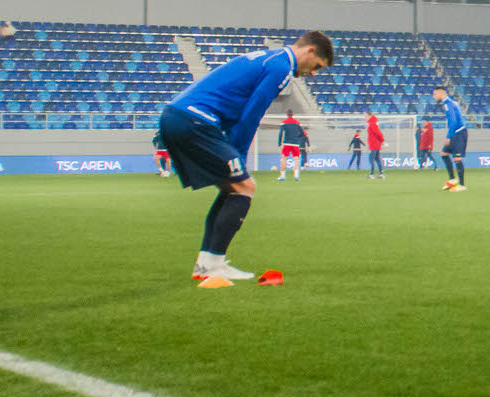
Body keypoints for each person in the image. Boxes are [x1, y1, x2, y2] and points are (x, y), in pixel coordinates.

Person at [158, 31, 336, 281]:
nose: (314, 73)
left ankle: (207, 264)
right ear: (310, 51)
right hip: (194, 119)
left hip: (178, 116)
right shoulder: (281, 67)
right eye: (317, 66)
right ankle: (213, 265)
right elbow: (252, 114)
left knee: (232, 188)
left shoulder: (270, 58)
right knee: (245, 187)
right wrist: (239, 154)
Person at [432, 84, 468, 190]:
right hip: (457, 132)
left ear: (441, 93)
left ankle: (462, 185)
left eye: (435, 94)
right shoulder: (452, 102)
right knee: (444, 153)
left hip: (458, 133)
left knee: (457, 157)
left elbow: (453, 122)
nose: (434, 96)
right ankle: (452, 179)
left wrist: (449, 137)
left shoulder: (448, 104)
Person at [275, 112, 306, 181]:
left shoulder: (284, 122)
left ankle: (282, 176)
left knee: (284, 159)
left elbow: (281, 133)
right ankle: (296, 176)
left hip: (287, 143)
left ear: (287, 115)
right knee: (296, 159)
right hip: (295, 144)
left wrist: (279, 143)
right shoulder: (297, 123)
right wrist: (297, 138)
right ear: (292, 115)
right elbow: (302, 133)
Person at [364, 112, 385, 179]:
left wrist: (382, 141)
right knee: (377, 159)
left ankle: (372, 174)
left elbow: (378, 133)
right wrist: (381, 141)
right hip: (376, 144)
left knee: (371, 159)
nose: (365, 117)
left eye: (365, 116)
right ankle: (381, 174)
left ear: (369, 116)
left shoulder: (372, 123)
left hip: (374, 145)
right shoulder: (373, 123)